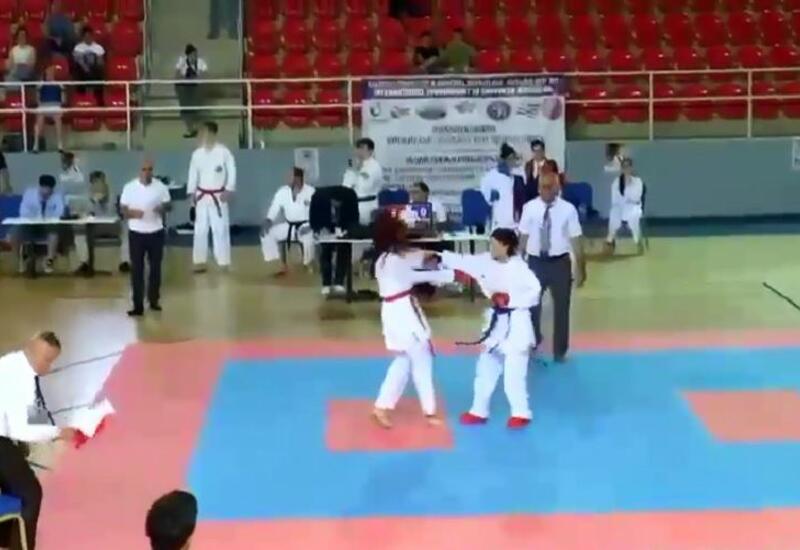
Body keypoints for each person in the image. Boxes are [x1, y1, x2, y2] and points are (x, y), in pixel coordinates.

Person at [438, 229, 541, 428]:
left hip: (517, 321)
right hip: (495, 323)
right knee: (485, 369)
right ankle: (479, 410)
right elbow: (462, 261)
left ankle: (521, 412)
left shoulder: (520, 268)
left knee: (514, 374)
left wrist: (511, 299)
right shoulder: (484, 261)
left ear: (506, 246)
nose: (491, 247)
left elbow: (535, 293)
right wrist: (438, 256)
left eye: (495, 244)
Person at [372, 212, 455, 428]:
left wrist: (435, 256)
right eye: (402, 231)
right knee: (421, 358)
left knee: (403, 361)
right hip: (403, 314)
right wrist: (450, 275)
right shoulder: (394, 262)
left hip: (393, 311)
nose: (406, 234)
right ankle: (429, 412)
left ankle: (382, 407)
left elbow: (416, 256)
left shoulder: (383, 259)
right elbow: (418, 275)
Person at [0, 332, 77, 550]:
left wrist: (50, 429)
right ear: (31, 348)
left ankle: (5, 538)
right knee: (31, 493)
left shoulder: (12, 362)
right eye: (47, 360)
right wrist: (57, 432)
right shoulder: (22, 379)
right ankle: (21, 545)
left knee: (11, 485)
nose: (48, 367)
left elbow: (33, 412)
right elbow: (21, 429)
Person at [519, 173, 586, 363]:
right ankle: (533, 341)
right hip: (535, 262)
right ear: (538, 188)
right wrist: (517, 264)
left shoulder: (568, 209)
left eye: (550, 187)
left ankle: (560, 351)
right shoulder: (529, 208)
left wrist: (581, 267)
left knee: (562, 309)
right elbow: (523, 237)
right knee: (531, 306)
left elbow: (576, 240)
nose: (546, 191)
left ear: (557, 188)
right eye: (543, 187)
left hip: (560, 263)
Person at [120, 159, 170, 317]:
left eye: (150, 169)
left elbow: (168, 205)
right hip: (137, 233)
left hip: (156, 231)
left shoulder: (160, 187)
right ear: (139, 171)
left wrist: (162, 208)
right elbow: (123, 210)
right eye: (144, 169)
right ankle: (138, 305)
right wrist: (132, 213)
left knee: (155, 268)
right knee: (137, 269)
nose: (147, 173)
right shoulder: (129, 188)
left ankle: (154, 300)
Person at [188, 121, 236, 273]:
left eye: (204, 132)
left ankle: (223, 262)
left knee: (220, 229)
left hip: (218, 196)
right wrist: (191, 193)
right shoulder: (197, 154)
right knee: (200, 230)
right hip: (201, 196)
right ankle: (199, 261)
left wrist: (229, 189)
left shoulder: (224, 152)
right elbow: (193, 174)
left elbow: (232, 171)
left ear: (212, 133)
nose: (201, 135)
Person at [74, 171, 130, 275]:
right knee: (79, 232)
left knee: (127, 228)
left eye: (101, 181)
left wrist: (105, 198)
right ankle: (84, 263)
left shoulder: (114, 195)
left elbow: (122, 213)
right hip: (95, 227)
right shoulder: (86, 197)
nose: (99, 184)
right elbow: (83, 215)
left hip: (112, 226)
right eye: (96, 181)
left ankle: (125, 262)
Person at [260, 167, 316, 270]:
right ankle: (277, 261)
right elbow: (274, 207)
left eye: (290, 176)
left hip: (307, 226)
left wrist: (311, 226)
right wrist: (268, 220)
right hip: (289, 226)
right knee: (267, 233)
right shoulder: (282, 191)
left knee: (308, 238)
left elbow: (319, 212)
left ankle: (308, 263)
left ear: (298, 178)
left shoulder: (311, 192)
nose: (287, 178)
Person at [309, 186, 359, 296]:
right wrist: (319, 229)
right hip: (326, 229)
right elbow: (313, 219)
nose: (338, 206)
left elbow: (354, 219)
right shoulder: (319, 198)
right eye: (335, 204)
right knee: (325, 252)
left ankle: (339, 282)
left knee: (344, 249)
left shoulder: (350, 198)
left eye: (340, 204)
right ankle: (326, 284)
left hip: (343, 229)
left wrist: (348, 231)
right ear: (331, 200)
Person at [13, 175, 65, 275]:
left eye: (49, 190)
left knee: (54, 232)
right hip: (30, 224)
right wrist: (37, 217)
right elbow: (23, 212)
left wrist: (47, 218)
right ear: (40, 187)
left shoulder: (57, 196)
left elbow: (59, 213)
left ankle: (49, 261)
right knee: (13, 235)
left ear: (52, 189)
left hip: (48, 225)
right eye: (44, 189)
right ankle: (22, 259)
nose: (46, 192)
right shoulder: (29, 194)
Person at [605, 157, 645, 255]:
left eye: (628, 166)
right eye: (624, 167)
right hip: (619, 206)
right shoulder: (616, 182)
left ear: (631, 168)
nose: (626, 169)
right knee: (614, 215)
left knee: (633, 219)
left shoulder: (638, 181)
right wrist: (624, 199)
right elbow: (615, 199)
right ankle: (610, 241)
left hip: (634, 207)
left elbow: (636, 197)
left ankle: (638, 241)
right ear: (622, 169)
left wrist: (626, 193)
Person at [343, 137, 383, 226]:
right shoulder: (353, 165)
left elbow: (365, 187)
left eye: (362, 148)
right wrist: (353, 170)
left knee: (366, 230)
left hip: (367, 205)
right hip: (352, 205)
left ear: (370, 151)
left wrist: (357, 171)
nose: (359, 151)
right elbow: (346, 186)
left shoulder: (374, 166)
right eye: (358, 148)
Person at [480, 142, 517, 230]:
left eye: (513, 159)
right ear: (503, 160)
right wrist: (491, 195)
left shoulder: (517, 174)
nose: (512, 161)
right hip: (499, 220)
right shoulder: (492, 175)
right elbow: (485, 192)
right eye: (509, 159)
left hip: (515, 221)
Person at [175, 44, 208, 139]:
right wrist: (185, 79)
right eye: (193, 55)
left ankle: (196, 128)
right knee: (185, 110)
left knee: (195, 109)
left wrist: (196, 77)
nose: (195, 56)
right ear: (188, 55)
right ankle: (190, 129)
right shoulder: (181, 62)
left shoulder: (200, 62)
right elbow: (176, 76)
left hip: (196, 87)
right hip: (183, 88)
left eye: (195, 54)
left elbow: (205, 75)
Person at [33, 66, 65, 153]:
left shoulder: (59, 85)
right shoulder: (40, 84)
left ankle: (60, 145)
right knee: (39, 118)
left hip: (55, 106)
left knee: (58, 118)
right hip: (43, 106)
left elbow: (63, 100)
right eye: (47, 73)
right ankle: (35, 145)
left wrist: (59, 102)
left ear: (54, 74)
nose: (49, 75)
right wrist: (40, 104)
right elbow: (37, 99)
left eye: (51, 73)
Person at [72, 26, 105, 101]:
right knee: (79, 69)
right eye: (86, 36)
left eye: (89, 36)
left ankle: (99, 101)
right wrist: (86, 68)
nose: (88, 38)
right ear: (83, 37)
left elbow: (100, 62)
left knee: (99, 71)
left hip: (94, 69)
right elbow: (77, 60)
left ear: (92, 36)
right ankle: (81, 99)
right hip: (82, 69)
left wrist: (94, 65)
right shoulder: (78, 47)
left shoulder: (98, 47)